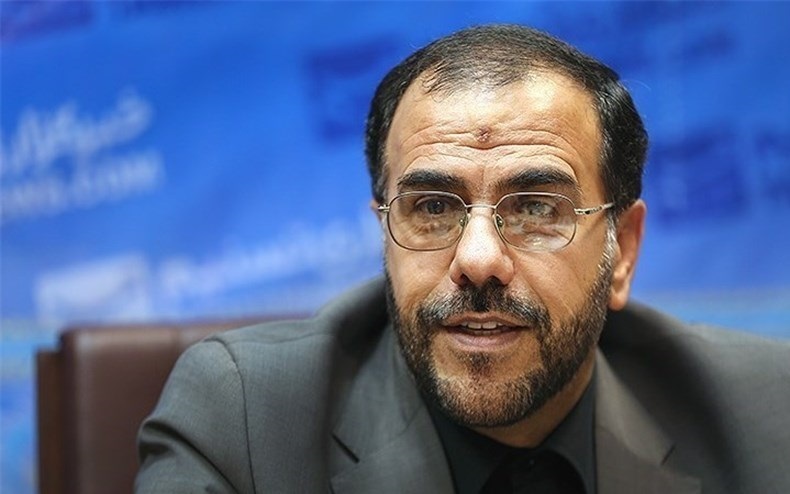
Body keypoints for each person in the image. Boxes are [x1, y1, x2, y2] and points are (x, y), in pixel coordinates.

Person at [135, 25, 790, 493]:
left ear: (624, 251)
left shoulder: (769, 415)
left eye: (536, 208)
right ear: (385, 232)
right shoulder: (243, 422)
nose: (478, 259)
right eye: (432, 207)